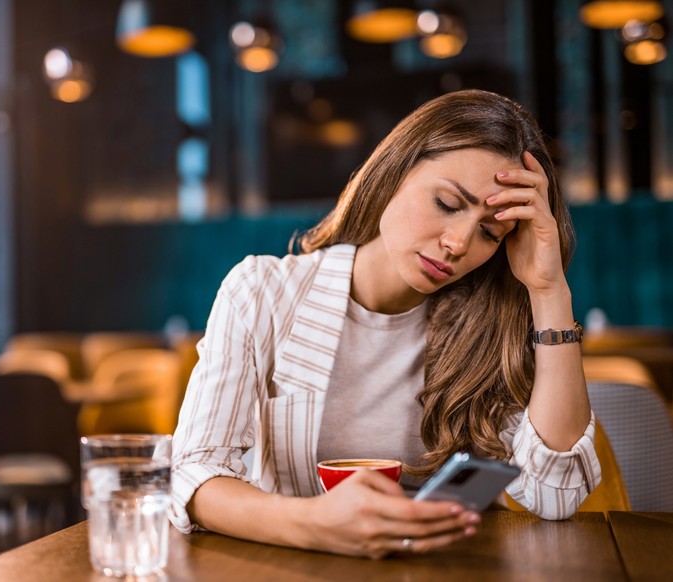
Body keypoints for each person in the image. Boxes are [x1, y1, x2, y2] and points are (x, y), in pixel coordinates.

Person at [168, 89, 601, 558]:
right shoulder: (263, 292)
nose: (458, 243)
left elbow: (556, 494)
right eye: (447, 203)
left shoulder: (494, 321)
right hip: (298, 566)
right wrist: (317, 525)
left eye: (489, 232)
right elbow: (195, 475)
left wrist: (549, 290)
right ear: (394, 171)